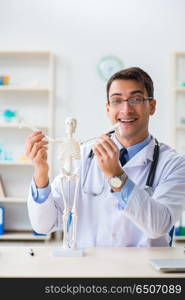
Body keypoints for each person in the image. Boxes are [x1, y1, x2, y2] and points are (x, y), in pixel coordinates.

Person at [26, 67, 185, 247]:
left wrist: (116, 176)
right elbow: (43, 225)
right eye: (117, 100)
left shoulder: (174, 164)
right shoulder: (84, 155)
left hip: (142, 271)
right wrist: (41, 174)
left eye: (136, 99)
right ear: (108, 109)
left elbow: (159, 226)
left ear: (152, 106)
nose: (126, 109)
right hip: (90, 270)